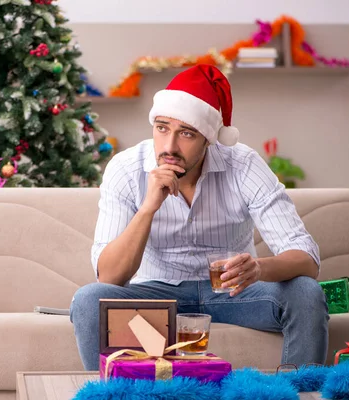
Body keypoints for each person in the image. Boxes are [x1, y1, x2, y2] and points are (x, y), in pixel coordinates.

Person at [69, 64, 329, 371]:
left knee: (306, 293)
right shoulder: (126, 169)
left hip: (234, 294)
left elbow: (307, 259)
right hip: (155, 294)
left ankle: (297, 391)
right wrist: (148, 208)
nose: (169, 147)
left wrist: (258, 268)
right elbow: (109, 277)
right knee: (88, 300)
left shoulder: (243, 165)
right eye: (162, 128)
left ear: (209, 139)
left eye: (187, 134)